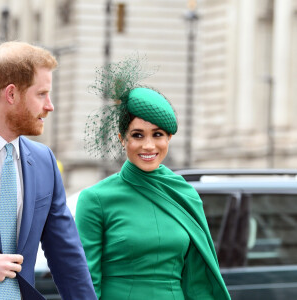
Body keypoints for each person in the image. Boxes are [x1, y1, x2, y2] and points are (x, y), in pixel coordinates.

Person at [75, 57, 231, 299]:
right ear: (122, 139)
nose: (148, 146)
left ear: (168, 138)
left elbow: (198, 279)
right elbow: (85, 283)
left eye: (157, 134)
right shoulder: (95, 199)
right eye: (137, 135)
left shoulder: (184, 194)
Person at [0, 41, 97, 300]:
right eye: (41, 94)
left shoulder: (43, 161)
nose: (50, 106)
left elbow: (67, 256)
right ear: (11, 94)